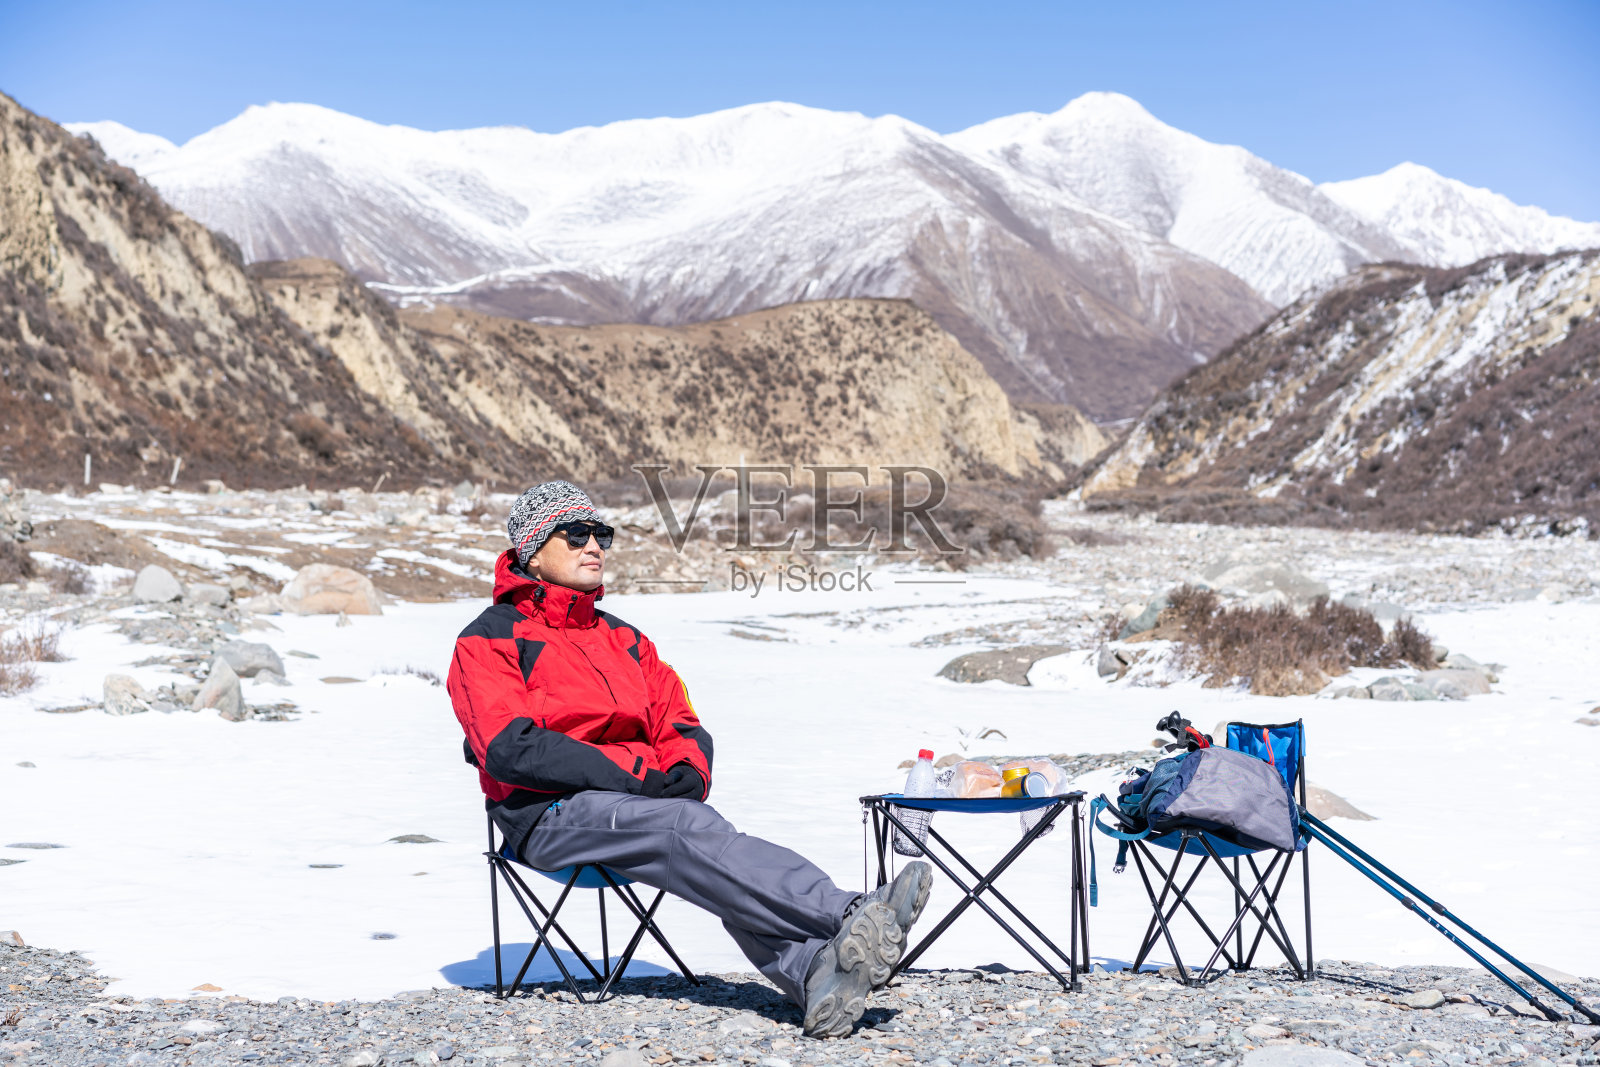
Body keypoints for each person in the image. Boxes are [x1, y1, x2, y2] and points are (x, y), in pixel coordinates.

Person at [447, 480, 930, 1038]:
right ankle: (847, 913)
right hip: (548, 816)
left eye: (601, 534)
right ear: (531, 550)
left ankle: (814, 972)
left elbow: (680, 722)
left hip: (637, 807)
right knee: (683, 828)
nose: (595, 546)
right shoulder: (488, 638)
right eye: (576, 534)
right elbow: (511, 747)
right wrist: (638, 779)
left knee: (693, 828)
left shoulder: (626, 639)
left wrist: (684, 774)